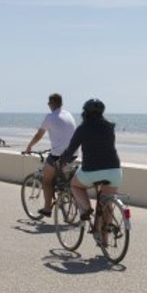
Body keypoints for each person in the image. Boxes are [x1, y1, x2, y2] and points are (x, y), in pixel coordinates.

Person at [61, 98, 121, 244]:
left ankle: (87, 208)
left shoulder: (83, 128)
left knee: (75, 185)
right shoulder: (109, 127)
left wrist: (62, 161)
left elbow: (71, 149)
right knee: (107, 203)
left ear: (85, 113)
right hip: (114, 170)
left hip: (91, 170)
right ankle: (104, 239)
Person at [23, 93, 78, 217]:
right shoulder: (69, 114)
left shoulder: (50, 117)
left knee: (47, 180)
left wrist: (29, 146)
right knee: (63, 179)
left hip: (58, 156)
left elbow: (39, 134)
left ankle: (47, 208)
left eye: (48, 103)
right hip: (73, 154)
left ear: (51, 104)